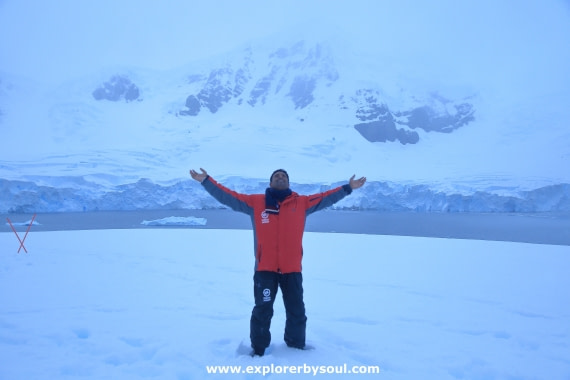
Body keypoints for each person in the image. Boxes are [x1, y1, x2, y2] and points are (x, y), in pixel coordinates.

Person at [189, 167, 366, 356]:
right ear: (270, 182)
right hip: (265, 269)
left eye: (283, 176)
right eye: (276, 176)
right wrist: (207, 181)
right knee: (262, 310)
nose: (280, 178)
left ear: (288, 183)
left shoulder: (302, 203)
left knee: (296, 310)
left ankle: (296, 346)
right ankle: (258, 349)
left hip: (292, 270)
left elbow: (326, 197)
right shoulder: (256, 203)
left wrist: (348, 187)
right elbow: (229, 197)